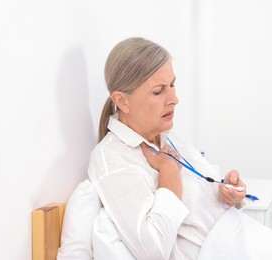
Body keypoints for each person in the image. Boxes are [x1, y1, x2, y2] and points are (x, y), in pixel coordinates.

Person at [88, 37, 246, 260]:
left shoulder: (169, 138)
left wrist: (226, 195)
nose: (175, 99)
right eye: (158, 91)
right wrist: (169, 173)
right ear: (122, 101)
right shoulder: (112, 159)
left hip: (239, 238)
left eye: (172, 85)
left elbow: (199, 207)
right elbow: (153, 250)